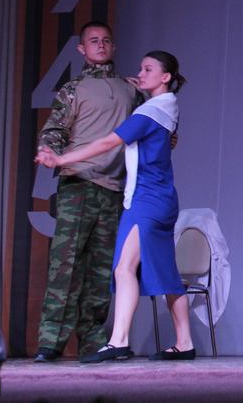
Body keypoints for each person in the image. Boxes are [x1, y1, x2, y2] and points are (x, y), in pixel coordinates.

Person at [36, 51, 193, 362]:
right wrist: (138, 85)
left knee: (124, 268)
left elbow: (107, 142)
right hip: (158, 198)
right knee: (165, 274)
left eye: (148, 69)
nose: (140, 73)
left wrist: (61, 159)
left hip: (147, 200)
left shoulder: (150, 111)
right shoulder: (166, 105)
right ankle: (184, 342)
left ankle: (118, 340)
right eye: (140, 68)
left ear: (165, 77)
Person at [32, 21, 139, 362]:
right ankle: (51, 341)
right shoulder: (73, 89)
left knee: (101, 268)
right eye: (93, 41)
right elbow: (55, 130)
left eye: (106, 40)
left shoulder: (129, 89)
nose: (101, 45)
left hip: (113, 188)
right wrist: (48, 150)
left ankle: (93, 339)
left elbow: (148, 126)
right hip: (78, 184)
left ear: (114, 46)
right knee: (66, 264)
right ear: (82, 49)